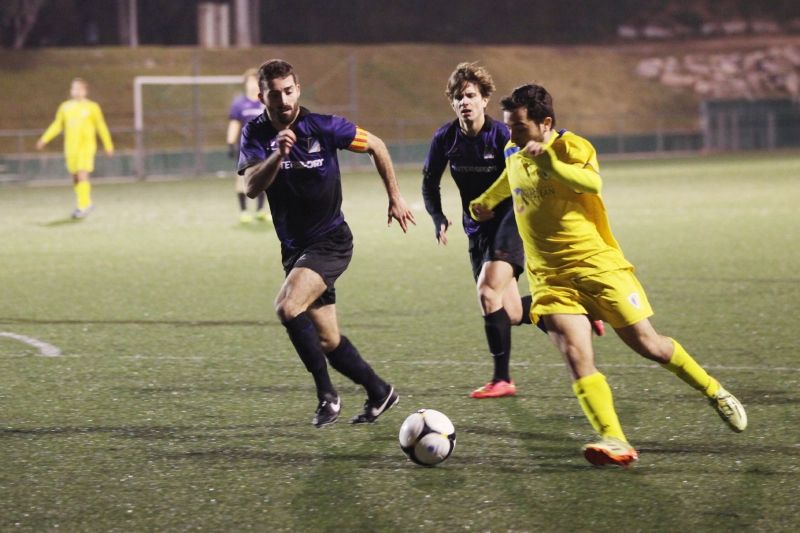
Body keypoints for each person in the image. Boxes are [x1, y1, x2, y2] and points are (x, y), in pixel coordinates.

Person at [469, 84, 747, 467]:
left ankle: (714, 391)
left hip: (597, 267)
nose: (511, 135)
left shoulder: (573, 148)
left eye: (519, 127)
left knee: (651, 345)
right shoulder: (513, 148)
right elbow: (511, 174)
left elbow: (592, 183)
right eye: (509, 127)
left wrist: (549, 162)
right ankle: (615, 439)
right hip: (551, 278)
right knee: (576, 357)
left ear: (545, 122)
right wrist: (488, 199)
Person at [238, 59, 416, 427]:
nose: (284, 100)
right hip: (295, 250)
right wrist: (278, 154)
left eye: (289, 91)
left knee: (287, 308)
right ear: (262, 97)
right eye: (275, 94)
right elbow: (252, 186)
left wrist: (395, 197)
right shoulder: (255, 134)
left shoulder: (324, 126)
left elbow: (377, 145)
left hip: (331, 242)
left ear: (298, 90)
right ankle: (380, 391)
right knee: (328, 341)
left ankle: (326, 395)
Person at [422, 63, 603, 399]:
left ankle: (501, 379)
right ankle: (576, 308)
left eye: (472, 95)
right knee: (512, 311)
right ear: (452, 102)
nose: (465, 102)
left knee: (487, 292)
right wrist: (437, 217)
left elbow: (532, 169)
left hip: (511, 221)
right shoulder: (445, 138)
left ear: (485, 99)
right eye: (459, 97)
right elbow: (429, 181)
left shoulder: (503, 135)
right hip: (476, 228)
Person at [36, 78, 114, 219]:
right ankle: (87, 203)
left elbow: (101, 127)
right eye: (74, 89)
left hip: (86, 147)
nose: (76, 91)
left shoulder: (93, 107)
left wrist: (108, 145)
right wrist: (44, 139)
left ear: (85, 91)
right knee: (75, 177)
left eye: (79, 89)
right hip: (71, 148)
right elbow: (57, 125)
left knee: (82, 173)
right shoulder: (65, 107)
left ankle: (82, 206)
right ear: (71, 91)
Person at [227, 68, 270, 224]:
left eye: (256, 81)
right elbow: (234, 124)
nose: (253, 84)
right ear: (246, 83)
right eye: (250, 81)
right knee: (242, 180)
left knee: (263, 180)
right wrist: (231, 143)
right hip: (245, 149)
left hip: (264, 148)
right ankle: (244, 212)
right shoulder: (239, 104)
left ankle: (259, 211)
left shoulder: (266, 102)